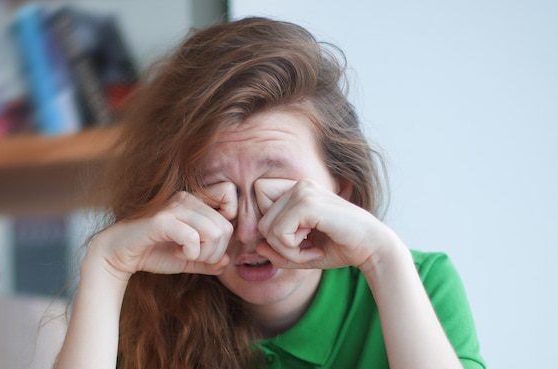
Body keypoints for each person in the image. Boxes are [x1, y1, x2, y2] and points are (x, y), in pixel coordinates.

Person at [54, 17, 485, 369]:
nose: (247, 230)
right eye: (217, 194)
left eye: (275, 194)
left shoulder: (419, 283)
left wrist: (381, 257)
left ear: (341, 188)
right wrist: (107, 266)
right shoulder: (150, 309)